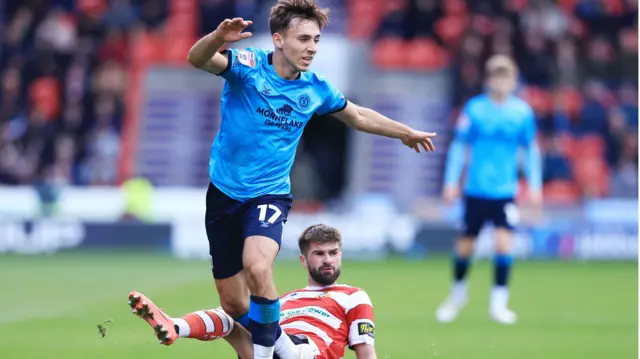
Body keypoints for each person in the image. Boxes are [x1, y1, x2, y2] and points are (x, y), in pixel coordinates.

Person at [183, 1, 435, 358]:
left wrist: (404, 132)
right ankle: (289, 349)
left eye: (316, 39)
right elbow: (197, 58)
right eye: (304, 38)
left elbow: (358, 115)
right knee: (234, 304)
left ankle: (272, 354)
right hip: (223, 194)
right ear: (279, 39)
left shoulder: (316, 89)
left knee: (258, 265)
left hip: (269, 194)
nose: (312, 47)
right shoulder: (248, 66)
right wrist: (218, 37)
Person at [128, 224, 377, 359]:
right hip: (267, 348)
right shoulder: (284, 299)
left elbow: (366, 351)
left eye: (333, 253)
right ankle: (174, 326)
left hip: (308, 353)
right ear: (304, 260)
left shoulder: (353, 296)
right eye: (319, 254)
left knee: (260, 320)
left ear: (340, 255)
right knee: (230, 317)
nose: (327, 260)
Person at [436, 54, 542, 325]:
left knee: (504, 243)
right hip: (475, 189)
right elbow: (459, 146)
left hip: (505, 192)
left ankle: (499, 304)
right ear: (488, 80)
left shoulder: (522, 112)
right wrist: (451, 181)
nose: (501, 82)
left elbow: (530, 149)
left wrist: (534, 183)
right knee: (464, 247)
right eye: (496, 77)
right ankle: (458, 294)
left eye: (506, 77)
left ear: (513, 81)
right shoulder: (474, 109)